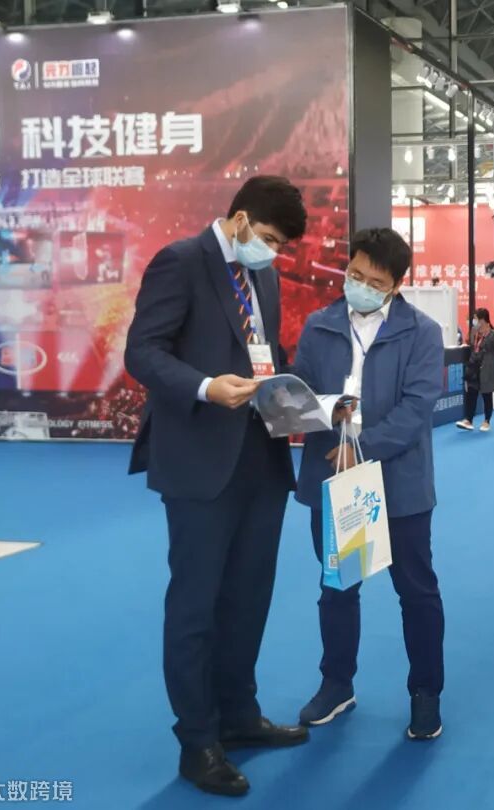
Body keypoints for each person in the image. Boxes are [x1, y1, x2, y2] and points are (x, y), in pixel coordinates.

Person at [124, 176, 310, 798]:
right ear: (240, 220)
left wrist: (296, 397)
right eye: (268, 239)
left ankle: (238, 714)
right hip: (200, 459)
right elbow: (143, 352)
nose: (273, 253)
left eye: (281, 246)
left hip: (261, 456)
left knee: (249, 598)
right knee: (196, 606)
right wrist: (205, 387)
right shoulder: (180, 261)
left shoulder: (264, 276)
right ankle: (197, 742)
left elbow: (264, 352)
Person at [290, 227, 447, 741]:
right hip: (335, 480)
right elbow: (301, 391)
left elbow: (417, 408)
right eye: (354, 274)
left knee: (416, 592)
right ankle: (336, 684)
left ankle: (425, 693)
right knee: (337, 588)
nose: (360, 286)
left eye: (374, 281)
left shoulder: (421, 332)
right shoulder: (319, 326)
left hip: (399, 483)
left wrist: (365, 446)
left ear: (396, 285)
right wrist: (308, 407)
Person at [457, 308, 494, 432]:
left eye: (476, 318)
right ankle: (468, 420)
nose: (474, 321)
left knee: (487, 395)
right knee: (471, 393)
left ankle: (487, 421)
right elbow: (471, 345)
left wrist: (491, 363)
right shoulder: (474, 332)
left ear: (483, 319)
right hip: (473, 367)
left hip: (487, 368)